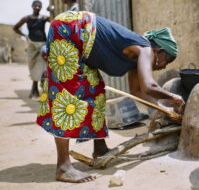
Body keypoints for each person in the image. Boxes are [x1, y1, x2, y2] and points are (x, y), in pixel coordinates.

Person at [36, 11, 185, 183]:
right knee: (69, 95)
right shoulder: (145, 49)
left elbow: (137, 91)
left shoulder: (137, 57)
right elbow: (149, 86)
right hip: (69, 30)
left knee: (96, 90)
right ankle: (63, 166)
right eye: (167, 60)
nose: (164, 66)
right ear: (158, 51)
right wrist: (173, 97)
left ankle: (100, 149)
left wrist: (165, 109)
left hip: (79, 42)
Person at [13, 0, 50, 99]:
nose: (37, 7)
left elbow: (54, 21)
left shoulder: (44, 18)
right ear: (32, 6)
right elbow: (15, 28)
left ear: (41, 8)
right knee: (32, 65)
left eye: (39, 6)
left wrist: (50, 11)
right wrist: (24, 35)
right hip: (31, 44)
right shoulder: (27, 18)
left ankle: (35, 90)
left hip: (42, 44)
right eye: (35, 5)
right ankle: (34, 89)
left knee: (42, 67)